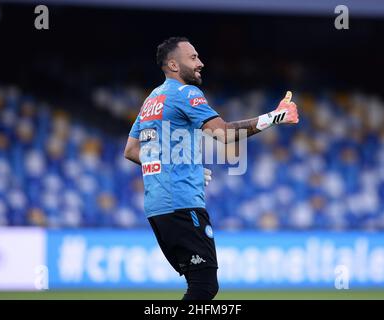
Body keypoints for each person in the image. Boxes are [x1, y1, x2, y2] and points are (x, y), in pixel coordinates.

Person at [124, 36, 299, 300]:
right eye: (193, 57)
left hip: (159, 207)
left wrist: (176, 164)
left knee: (201, 283)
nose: (200, 63)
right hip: (182, 203)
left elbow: (131, 150)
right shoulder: (186, 93)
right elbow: (225, 134)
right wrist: (275, 117)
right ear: (173, 64)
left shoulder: (152, 99)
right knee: (204, 286)